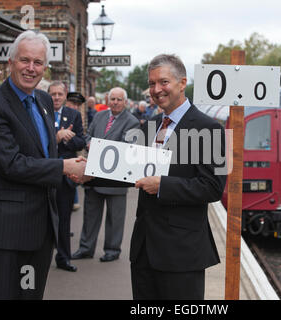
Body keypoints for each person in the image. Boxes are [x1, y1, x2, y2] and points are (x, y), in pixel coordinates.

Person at [0, 30, 86, 300]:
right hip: (6, 234)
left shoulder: (44, 100)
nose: (31, 68)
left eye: (37, 62)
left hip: (41, 229)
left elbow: (46, 155)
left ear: (45, 67)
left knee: (30, 295)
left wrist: (75, 172)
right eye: (25, 60)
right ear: (10, 62)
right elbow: (11, 164)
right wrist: (63, 167)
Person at [129, 54, 227, 299]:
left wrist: (162, 185)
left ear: (182, 83)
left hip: (181, 253)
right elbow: (127, 169)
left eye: (163, 82)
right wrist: (88, 173)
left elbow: (213, 187)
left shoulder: (209, 128)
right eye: (152, 84)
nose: (156, 90)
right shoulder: (149, 125)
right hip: (144, 249)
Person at [72, 87, 139, 262]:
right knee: (90, 215)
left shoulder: (132, 122)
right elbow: (87, 136)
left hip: (116, 178)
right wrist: (89, 144)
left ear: (125, 102)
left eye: (119, 99)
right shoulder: (100, 116)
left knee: (115, 218)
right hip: (94, 174)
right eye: (112, 99)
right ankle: (86, 248)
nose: (115, 102)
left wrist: (100, 147)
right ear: (108, 100)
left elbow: (126, 147)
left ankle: (112, 250)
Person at [48, 81, 86, 272]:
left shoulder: (74, 115)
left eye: (59, 94)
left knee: (64, 219)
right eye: (53, 94)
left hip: (67, 176)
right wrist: (56, 136)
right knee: (43, 218)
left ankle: (63, 258)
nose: (56, 97)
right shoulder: (41, 113)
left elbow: (81, 141)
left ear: (65, 96)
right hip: (45, 174)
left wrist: (67, 137)